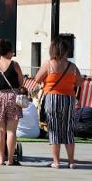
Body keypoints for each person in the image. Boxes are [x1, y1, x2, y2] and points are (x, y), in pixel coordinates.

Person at [35, 37, 82, 169]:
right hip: (68, 99)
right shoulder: (72, 66)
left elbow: (37, 78)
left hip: (53, 98)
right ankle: (71, 162)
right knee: (68, 130)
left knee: (54, 130)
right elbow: (79, 82)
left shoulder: (48, 64)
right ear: (66, 51)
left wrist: (47, 82)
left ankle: (56, 162)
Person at [0, 39, 24, 166]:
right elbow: (21, 82)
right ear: (8, 51)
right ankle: (11, 160)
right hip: (12, 98)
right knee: (11, 131)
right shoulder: (14, 65)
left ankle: (1, 159)